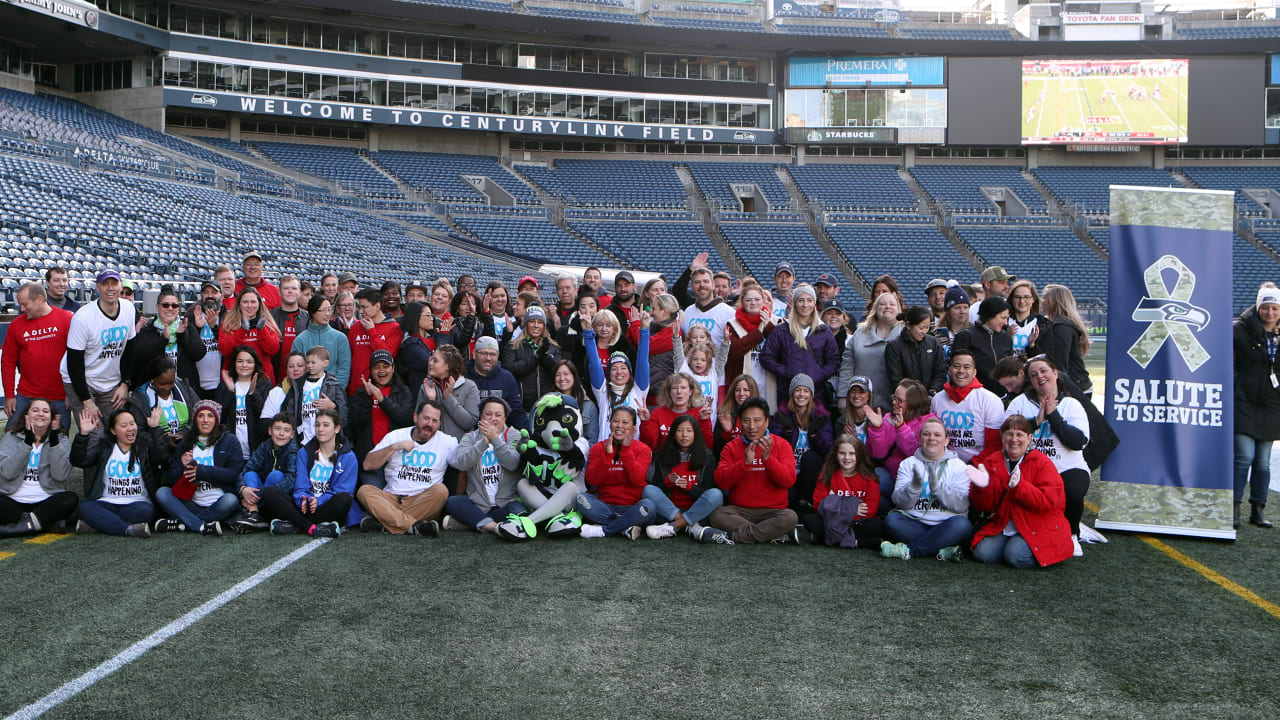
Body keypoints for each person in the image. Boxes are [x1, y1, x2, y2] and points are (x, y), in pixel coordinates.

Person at [1007, 355, 1091, 555]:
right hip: (1030, 468)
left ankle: (1072, 534)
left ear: (1055, 373)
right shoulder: (1020, 402)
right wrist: (1035, 422)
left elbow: (1078, 441)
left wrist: (1053, 415)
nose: (1040, 377)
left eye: (1044, 371)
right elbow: (1007, 435)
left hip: (1067, 466)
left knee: (1071, 490)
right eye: (1034, 374)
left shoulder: (1071, 404)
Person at [968, 415, 1073, 568]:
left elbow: (1048, 503)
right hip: (1004, 522)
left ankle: (1045, 553)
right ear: (1002, 437)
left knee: (1015, 556)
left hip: (1036, 523)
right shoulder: (991, 462)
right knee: (982, 553)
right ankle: (1015, 546)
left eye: (1019, 435)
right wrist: (981, 487)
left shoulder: (1041, 462)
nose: (1014, 439)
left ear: (1029, 438)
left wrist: (1020, 487)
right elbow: (983, 506)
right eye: (1009, 434)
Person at [359, 400, 458, 536]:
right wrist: (394, 447)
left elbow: (463, 464)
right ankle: (414, 526)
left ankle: (386, 523)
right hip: (391, 499)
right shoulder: (396, 436)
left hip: (423, 500)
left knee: (441, 491)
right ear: (415, 417)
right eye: (426, 418)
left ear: (439, 424)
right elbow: (368, 464)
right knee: (364, 491)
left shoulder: (448, 442)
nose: (430, 424)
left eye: (435, 421)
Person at [709, 397, 801, 544]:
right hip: (739, 511)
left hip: (774, 512)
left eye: (757, 420)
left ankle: (732, 537)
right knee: (717, 515)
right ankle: (772, 534)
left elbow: (788, 481)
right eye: (746, 421)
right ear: (740, 422)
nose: (752, 426)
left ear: (766, 422)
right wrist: (744, 463)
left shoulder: (782, 444)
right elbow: (721, 482)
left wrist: (769, 459)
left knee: (790, 517)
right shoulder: (731, 446)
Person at [880, 416, 972, 561]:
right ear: (919, 439)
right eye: (926, 434)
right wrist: (913, 488)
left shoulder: (959, 466)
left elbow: (961, 506)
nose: (931, 438)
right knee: (892, 520)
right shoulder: (908, 464)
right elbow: (899, 502)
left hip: (947, 523)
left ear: (946, 441)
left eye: (937, 435)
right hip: (914, 522)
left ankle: (910, 551)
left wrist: (938, 488)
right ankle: (940, 549)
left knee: (962, 525)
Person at [71, 405, 168, 537]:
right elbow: (79, 461)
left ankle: (99, 524)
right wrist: (83, 435)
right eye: (123, 425)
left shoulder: (145, 444)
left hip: (137, 503)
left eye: (132, 424)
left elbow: (162, 457)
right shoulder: (104, 447)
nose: (130, 428)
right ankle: (127, 529)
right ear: (113, 430)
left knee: (146, 511)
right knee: (85, 508)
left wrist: (155, 428)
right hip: (106, 502)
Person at [260, 408, 353, 537]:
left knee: (344, 499)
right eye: (317, 425)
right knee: (270, 492)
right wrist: (305, 500)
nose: (320, 429)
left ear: (337, 429)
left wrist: (318, 501)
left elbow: (343, 489)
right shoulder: (304, 452)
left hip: (326, 506)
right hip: (304, 506)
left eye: (326, 425)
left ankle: (295, 526)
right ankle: (312, 527)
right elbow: (300, 486)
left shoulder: (348, 456)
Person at [154, 400, 243, 536]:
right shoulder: (185, 444)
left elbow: (233, 473)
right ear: (195, 420)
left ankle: (183, 523)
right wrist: (182, 468)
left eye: (210, 416)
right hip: (191, 503)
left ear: (217, 420)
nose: (205, 420)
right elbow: (172, 480)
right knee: (162, 492)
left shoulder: (229, 441)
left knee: (231, 500)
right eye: (201, 416)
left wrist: (201, 471)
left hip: (219, 501)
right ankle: (201, 525)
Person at [60, 268, 137, 424]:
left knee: (116, 427)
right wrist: (86, 401)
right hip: (82, 379)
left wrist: (125, 384)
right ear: (97, 287)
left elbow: (130, 350)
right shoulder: (83, 317)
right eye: (105, 284)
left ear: (120, 286)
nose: (110, 288)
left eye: (114, 283)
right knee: (93, 434)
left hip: (109, 380)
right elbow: (74, 363)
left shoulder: (129, 309)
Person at [442, 397, 527, 534]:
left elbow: (512, 464)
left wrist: (495, 439)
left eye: (498, 415)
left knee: (520, 511)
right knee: (452, 502)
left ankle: (471, 523)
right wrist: (483, 443)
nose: (493, 418)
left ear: (505, 418)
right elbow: (463, 464)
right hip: (478, 504)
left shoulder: (514, 435)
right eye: (488, 414)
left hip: (506, 503)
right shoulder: (470, 437)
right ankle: (494, 527)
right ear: (481, 416)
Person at [1233, 285, 1280, 529]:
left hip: (1271, 407)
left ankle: (1258, 508)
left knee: (1262, 461)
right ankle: (1234, 507)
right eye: (1265, 307)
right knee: (1244, 457)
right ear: (1258, 307)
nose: (1270, 312)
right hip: (1244, 403)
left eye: (1275, 308)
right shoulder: (1239, 330)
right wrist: (1237, 390)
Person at [643, 414, 729, 543]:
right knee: (648, 490)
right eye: (680, 430)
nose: (684, 435)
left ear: (696, 434)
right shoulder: (663, 457)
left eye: (689, 431)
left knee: (716, 494)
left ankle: (674, 526)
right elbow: (657, 490)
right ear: (673, 434)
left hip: (698, 511)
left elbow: (709, 490)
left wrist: (690, 487)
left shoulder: (707, 457)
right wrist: (667, 483)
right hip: (670, 511)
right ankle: (689, 525)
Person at [0, 399, 76, 537]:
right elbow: (7, 473)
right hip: (14, 500)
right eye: (35, 410)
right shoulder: (11, 437)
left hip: (46, 500)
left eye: (45, 411)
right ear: (26, 416)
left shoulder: (61, 439)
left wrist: (54, 442)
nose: (40, 414)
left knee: (70, 499)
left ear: (52, 418)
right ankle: (46, 523)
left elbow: (60, 476)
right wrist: (27, 442)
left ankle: (19, 528)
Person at [577, 406, 654, 539]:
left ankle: (604, 530)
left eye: (625, 422)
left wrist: (626, 450)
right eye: (615, 421)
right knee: (581, 499)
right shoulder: (598, 448)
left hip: (634, 507)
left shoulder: (643, 449)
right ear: (610, 423)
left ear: (633, 427)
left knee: (649, 506)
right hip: (605, 507)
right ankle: (625, 527)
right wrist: (607, 456)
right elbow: (592, 480)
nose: (619, 426)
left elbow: (636, 479)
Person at [3, 283, 73, 429]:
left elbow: (77, 358)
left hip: (59, 398)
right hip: (26, 397)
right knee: (13, 440)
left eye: (25, 304)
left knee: (58, 444)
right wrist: (9, 395)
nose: (21, 309)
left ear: (40, 299)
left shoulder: (66, 319)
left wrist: (71, 393)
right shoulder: (16, 325)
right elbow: (7, 362)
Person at [760, 284, 840, 411]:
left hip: (816, 393)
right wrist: (785, 371)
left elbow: (834, 360)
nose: (805, 305)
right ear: (795, 303)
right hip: (787, 393)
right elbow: (766, 356)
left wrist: (819, 374)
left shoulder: (824, 331)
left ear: (814, 303)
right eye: (801, 300)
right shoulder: (782, 329)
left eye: (809, 300)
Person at [868, 379, 938, 513]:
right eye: (894, 398)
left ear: (913, 403)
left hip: (914, 481)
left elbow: (917, 454)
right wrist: (877, 428)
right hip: (891, 475)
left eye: (899, 400)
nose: (894, 402)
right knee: (872, 484)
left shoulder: (929, 422)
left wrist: (901, 428)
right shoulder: (889, 417)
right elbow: (878, 454)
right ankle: (890, 514)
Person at [770, 373, 833, 514]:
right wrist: (786, 431)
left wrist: (815, 435)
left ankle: (806, 501)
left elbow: (828, 451)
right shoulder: (782, 415)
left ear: (811, 394)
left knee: (810, 456)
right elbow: (774, 449)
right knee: (789, 499)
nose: (801, 394)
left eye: (806, 391)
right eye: (798, 390)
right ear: (792, 393)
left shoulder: (822, 416)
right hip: (789, 470)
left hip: (810, 472)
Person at [809, 434, 883, 550]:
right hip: (831, 521)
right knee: (811, 520)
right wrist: (852, 508)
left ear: (859, 455)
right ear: (835, 455)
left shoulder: (869, 477)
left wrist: (835, 507)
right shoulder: (827, 475)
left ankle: (827, 539)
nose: (847, 457)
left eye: (852, 453)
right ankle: (858, 542)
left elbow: (870, 509)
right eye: (842, 453)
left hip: (856, 522)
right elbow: (819, 504)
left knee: (875, 525)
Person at [931, 349, 1006, 464]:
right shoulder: (937, 400)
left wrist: (972, 466)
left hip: (979, 467)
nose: (961, 371)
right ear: (949, 370)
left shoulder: (991, 400)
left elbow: (995, 446)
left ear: (974, 372)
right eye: (956, 366)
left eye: (967, 367)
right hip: (943, 465)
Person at [584, 312, 651, 439]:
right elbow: (594, 363)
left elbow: (643, 361)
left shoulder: (638, 389)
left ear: (630, 372)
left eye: (623, 368)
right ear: (608, 373)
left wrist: (644, 329)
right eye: (614, 369)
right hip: (606, 450)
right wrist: (588, 333)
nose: (619, 372)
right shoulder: (602, 390)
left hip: (632, 451)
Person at [232, 412, 297, 532]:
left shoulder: (293, 451)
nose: (281, 434)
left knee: (276, 475)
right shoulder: (265, 447)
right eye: (277, 429)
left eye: (286, 430)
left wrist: (259, 494)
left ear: (292, 434)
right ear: (270, 431)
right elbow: (246, 469)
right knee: (250, 474)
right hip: (259, 495)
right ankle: (254, 514)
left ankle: (253, 512)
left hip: (278, 500)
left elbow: (291, 481)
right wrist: (243, 489)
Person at [348, 349, 415, 464]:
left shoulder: (403, 392)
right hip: (370, 456)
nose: (381, 371)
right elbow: (355, 424)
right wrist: (368, 398)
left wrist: (383, 400)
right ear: (371, 370)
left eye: (385, 366)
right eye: (376, 367)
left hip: (397, 458)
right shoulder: (362, 392)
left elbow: (407, 420)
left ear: (393, 368)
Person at [839, 291, 903, 412]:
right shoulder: (860, 333)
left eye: (892, 304)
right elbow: (847, 366)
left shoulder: (905, 334)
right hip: (860, 406)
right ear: (875, 308)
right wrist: (842, 395)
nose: (887, 307)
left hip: (894, 407)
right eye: (882, 304)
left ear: (899, 310)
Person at [129, 286, 203, 390]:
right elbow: (139, 355)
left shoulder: (187, 327)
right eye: (165, 305)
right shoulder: (147, 330)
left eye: (174, 305)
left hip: (184, 390)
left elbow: (198, 354)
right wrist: (163, 340)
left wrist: (182, 336)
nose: (170, 308)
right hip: (154, 390)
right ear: (157, 307)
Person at [501, 305, 560, 420]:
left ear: (544, 325)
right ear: (526, 324)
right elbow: (508, 369)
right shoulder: (514, 346)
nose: (536, 325)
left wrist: (546, 357)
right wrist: (536, 358)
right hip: (522, 408)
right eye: (532, 321)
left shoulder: (553, 346)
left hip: (547, 407)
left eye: (540, 322)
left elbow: (558, 371)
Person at [725, 282, 779, 405]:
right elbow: (734, 351)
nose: (753, 303)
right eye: (748, 300)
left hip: (768, 383)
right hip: (742, 386)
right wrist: (759, 331)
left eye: (757, 299)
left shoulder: (776, 322)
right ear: (742, 302)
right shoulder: (732, 324)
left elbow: (781, 349)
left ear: (763, 301)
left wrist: (767, 326)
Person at [129, 357, 200, 450]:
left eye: (171, 383)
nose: (167, 388)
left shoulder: (184, 388)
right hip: (158, 452)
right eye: (162, 384)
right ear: (153, 379)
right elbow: (139, 431)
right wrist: (163, 440)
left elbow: (199, 414)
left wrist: (183, 435)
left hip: (188, 446)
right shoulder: (140, 398)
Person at [216, 346, 273, 459]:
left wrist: (253, 394)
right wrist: (230, 391)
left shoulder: (264, 385)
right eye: (240, 361)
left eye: (249, 361)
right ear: (234, 363)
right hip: (231, 451)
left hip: (256, 449)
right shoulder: (225, 386)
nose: (244, 365)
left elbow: (266, 417)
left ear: (255, 364)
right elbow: (218, 417)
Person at [282, 346, 347, 446]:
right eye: (307, 362)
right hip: (302, 438)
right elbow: (288, 409)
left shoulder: (333, 384)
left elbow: (344, 414)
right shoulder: (298, 384)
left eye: (313, 362)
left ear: (325, 363)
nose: (309, 365)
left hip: (326, 439)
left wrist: (333, 406)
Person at [415, 344, 481, 440]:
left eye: (435, 360)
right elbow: (417, 421)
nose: (430, 363)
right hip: (431, 448)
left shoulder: (469, 386)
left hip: (458, 449)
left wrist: (448, 397)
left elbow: (469, 423)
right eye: (431, 359)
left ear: (448, 366)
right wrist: (432, 401)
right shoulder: (426, 386)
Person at [219, 286, 282, 385]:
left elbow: (273, 350)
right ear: (239, 304)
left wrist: (261, 330)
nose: (249, 305)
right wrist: (241, 330)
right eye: (245, 302)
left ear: (259, 304)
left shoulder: (268, 324)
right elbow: (225, 351)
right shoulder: (228, 324)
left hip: (263, 380)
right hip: (236, 380)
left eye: (253, 302)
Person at [1039, 284, 1093, 396]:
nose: (1041, 301)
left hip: (1075, 388)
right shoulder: (1060, 324)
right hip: (1075, 384)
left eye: (1045, 297)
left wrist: (1059, 391)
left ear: (1055, 301)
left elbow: (1060, 364)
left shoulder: (1061, 327)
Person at [347, 288, 402, 396]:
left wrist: (371, 331)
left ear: (377, 306)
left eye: (364, 307)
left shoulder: (394, 328)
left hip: (380, 392)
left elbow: (387, 355)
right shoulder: (355, 328)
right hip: (355, 389)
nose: (361, 311)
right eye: (359, 307)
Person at [952, 296, 1013, 394]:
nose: (1005, 322)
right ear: (990, 315)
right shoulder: (966, 336)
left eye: (1007, 318)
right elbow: (957, 369)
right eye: (1003, 317)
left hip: (1002, 396)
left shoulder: (1006, 337)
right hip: (973, 395)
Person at [465, 336, 527, 431]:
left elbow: (516, 411)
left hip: (499, 435)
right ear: (474, 354)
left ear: (498, 356)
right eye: (484, 353)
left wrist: (526, 434)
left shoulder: (507, 378)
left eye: (492, 354)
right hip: (469, 433)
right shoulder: (463, 376)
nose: (488, 358)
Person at [292, 294, 352, 391]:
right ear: (313, 312)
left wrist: (334, 392)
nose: (327, 314)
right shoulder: (300, 340)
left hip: (334, 394)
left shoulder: (340, 338)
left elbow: (343, 370)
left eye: (329, 309)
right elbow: (297, 370)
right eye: (323, 310)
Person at [641, 372, 713, 451]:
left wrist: (705, 421)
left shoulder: (700, 413)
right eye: (675, 388)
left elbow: (708, 445)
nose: (679, 391)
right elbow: (650, 446)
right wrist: (646, 423)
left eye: (683, 387)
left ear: (690, 392)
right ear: (669, 392)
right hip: (665, 460)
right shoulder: (658, 413)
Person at [885, 306, 947, 396]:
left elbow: (940, 371)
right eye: (921, 328)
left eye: (927, 328)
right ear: (908, 325)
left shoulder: (933, 342)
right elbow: (895, 378)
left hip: (930, 397)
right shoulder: (894, 346)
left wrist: (933, 390)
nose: (924, 332)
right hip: (906, 399)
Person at [634, 293, 683, 405]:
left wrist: (636, 324)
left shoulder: (673, 332)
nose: (651, 312)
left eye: (654, 309)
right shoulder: (654, 327)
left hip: (660, 399)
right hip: (646, 395)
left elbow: (645, 346)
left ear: (664, 311)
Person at [679, 266, 735, 354]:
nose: (702, 285)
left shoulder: (729, 313)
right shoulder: (688, 311)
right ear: (692, 286)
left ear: (713, 285)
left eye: (706, 281)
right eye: (697, 282)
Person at [397, 300, 449, 393]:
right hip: (422, 393)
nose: (431, 319)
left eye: (432, 315)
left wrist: (442, 336)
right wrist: (443, 336)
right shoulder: (410, 345)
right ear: (416, 317)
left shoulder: (433, 337)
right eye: (428, 315)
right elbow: (437, 365)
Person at [187, 280, 224, 398]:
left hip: (221, 383)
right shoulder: (191, 315)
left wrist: (215, 328)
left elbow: (229, 348)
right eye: (206, 292)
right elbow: (189, 349)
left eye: (214, 292)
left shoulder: (228, 317)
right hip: (196, 384)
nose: (210, 296)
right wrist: (197, 329)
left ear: (221, 296)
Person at [270, 275, 310, 377]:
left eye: (294, 288)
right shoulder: (270, 318)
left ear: (300, 292)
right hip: (275, 376)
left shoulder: (308, 318)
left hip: (302, 377)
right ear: (279, 292)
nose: (290, 291)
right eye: (286, 288)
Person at [557, 286, 599, 381]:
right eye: (583, 307)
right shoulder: (564, 332)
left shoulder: (603, 331)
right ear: (578, 309)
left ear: (597, 308)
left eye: (592, 306)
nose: (587, 310)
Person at [552, 360, 599, 445]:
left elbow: (592, 441)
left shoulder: (588, 405)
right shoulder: (548, 403)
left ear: (574, 376)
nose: (562, 378)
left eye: (566, 374)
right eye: (558, 375)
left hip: (579, 455)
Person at [714, 374, 759, 454]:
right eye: (738, 390)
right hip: (730, 459)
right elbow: (717, 449)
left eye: (746, 390)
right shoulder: (725, 414)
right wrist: (727, 432)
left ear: (753, 392)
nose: (741, 393)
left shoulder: (761, 414)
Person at [1007, 280, 1045, 356]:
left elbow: (1046, 358)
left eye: (1026, 297)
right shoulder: (1002, 322)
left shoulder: (1043, 324)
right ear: (1011, 299)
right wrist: (1006, 339)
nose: (1022, 301)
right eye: (1017, 297)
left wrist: (1032, 345)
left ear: (1033, 299)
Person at [935, 284, 971, 351]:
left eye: (965, 307)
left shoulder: (975, 331)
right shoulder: (936, 333)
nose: (962, 311)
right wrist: (935, 345)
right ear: (948, 311)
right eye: (957, 308)